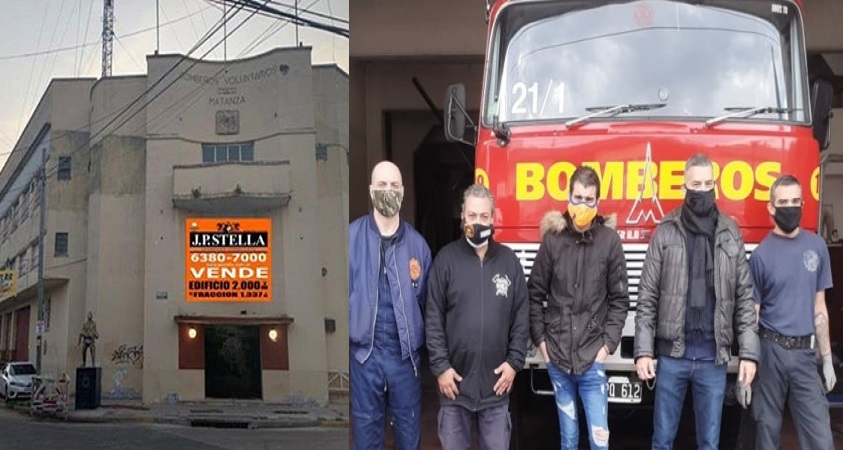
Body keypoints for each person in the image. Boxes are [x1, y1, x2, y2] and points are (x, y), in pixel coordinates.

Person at [634, 153, 759, 450]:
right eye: (696, 184)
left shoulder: (730, 234)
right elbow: (647, 296)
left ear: (714, 185)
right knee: (662, 441)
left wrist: (750, 355)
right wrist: (642, 351)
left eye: (707, 184)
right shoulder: (665, 231)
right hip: (672, 357)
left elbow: (744, 298)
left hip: (712, 360)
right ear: (684, 187)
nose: (702, 190)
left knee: (709, 443)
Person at [527, 166, 630, 450]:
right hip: (557, 358)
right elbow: (534, 294)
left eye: (589, 199)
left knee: (600, 441)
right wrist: (542, 344)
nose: (582, 204)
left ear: (598, 203)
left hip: (592, 361)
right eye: (577, 197)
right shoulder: (552, 241)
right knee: (568, 440)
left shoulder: (610, 243)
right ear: (568, 197)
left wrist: (607, 346)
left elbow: (620, 300)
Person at [425, 184, 529, 450]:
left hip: (496, 389)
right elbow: (433, 317)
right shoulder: (445, 261)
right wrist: (441, 368)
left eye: (484, 217)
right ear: (463, 216)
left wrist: (514, 362)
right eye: (472, 216)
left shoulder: (509, 262)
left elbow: (521, 315)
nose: (478, 222)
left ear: (493, 218)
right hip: (454, 388)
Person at [747, 174, 836, 449]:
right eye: (783, 202)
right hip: (770, 351)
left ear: (803, 203)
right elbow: (753, 315)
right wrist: (748, 362)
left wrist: (827, 358)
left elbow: (819, 307)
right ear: (771, 208)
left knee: (821, 439)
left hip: (805, 355)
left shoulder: (817, 247)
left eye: (796, 201)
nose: (790, 207)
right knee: (767, 433)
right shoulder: (761, 255)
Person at [349, 160, 432, 450]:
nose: (388, 191)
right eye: (382, 185)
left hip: (404, 358)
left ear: (403, 191)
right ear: (371, 191)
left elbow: (427, 307)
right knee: (365, 434)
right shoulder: (350, 239)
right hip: (364, 356)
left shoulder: (418, 246)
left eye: (394, 185)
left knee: (409, 436)